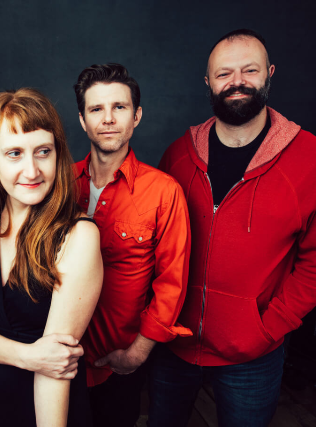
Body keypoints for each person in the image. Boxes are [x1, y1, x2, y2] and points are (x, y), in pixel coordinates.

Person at [151, 29, 316, 427]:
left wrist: (268, 327)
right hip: (173, 343)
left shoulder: (309, 158)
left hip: (253, 354)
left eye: (249, 70)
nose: (237, 82)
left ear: (269, 74)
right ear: (208, 82)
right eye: (224, 73)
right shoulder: (178, 154)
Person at [0, 88, 103, 427]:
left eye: (43, 151)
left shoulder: (78, 236)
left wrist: (38, 362)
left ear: (58, 155)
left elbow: (55, 369)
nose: (32, 171)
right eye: (14, 153)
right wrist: (30, 356)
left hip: (44, 410)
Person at [73, 63, 192, 427]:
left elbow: (171, 284)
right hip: (62, 359)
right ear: (82, 120)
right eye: (96, 109)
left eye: (119, 107)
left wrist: (137, 354)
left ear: (136, 116)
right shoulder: (59, 183)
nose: (108, 118)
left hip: (119, 362)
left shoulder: (164, 192)